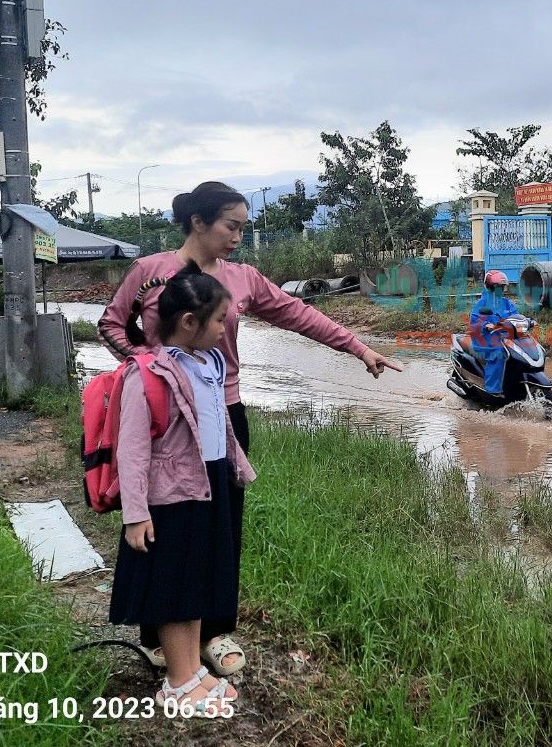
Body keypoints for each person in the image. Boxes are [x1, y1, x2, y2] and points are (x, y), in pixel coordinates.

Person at [98, 181, 401, 674]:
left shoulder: (243, 279)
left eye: (243, 227)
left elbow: (298, 313)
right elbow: (111, 324)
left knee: (220, 525)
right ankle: (159, 635)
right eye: (230, 226)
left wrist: (358, 347)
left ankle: (213, 632)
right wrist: (150, 366)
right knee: (166, 526)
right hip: (164, 419)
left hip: (223, 414)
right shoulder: (150, 272)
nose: (238, 236)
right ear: (199, 223)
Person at [108, 262, 247, 715]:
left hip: (206, 487)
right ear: (190, 323)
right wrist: (135, 512)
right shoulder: (148, 372)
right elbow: (130, 450)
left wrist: (237, 467)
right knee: (171, 586)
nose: (225, 329)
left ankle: (192, 669)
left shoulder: (211, 360)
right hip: (167, 497)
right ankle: (177, 682)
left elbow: (219, 422)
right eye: (219, 321)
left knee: (197, 580)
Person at [468, 270, 517, 397]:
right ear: (491, 287)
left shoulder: (506, 302)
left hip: (504, 338)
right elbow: (475, 320)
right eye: (499, 287)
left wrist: (528, 321)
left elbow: (516, 316)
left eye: (503, 287)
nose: (502, 289)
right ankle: (493, 392)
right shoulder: (483, 303)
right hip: (485, 339)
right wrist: (486, 326)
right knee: (498, 354)